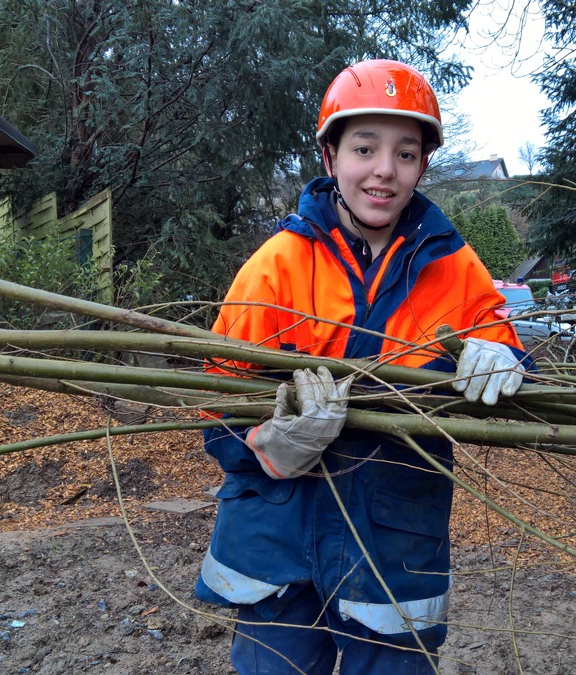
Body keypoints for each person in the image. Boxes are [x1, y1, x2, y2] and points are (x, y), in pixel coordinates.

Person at [194, 59, 530, 674]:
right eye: (364, 148)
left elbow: (504, 348)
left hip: (394, 542)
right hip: (276, 544)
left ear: (423, 166)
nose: (384, 170)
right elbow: (216, 405)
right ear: (329, 157)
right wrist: (268, 447)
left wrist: (503, 357)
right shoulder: (276, 267)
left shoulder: (454, 268)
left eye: (405, 153)